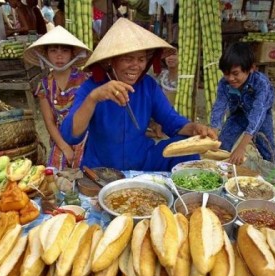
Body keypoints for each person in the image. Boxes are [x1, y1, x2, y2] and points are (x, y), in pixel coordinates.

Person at [61, 18, 216, 172]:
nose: (136, 66)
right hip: (102, 168)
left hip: (143, 161)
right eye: (128, 59)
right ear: (110, 61)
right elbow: (71, 136)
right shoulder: (92, 87)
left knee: (186, 147)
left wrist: (194, 128)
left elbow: (171, 120)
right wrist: (93, 98)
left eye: (141, 59)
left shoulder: (147, 86)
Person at [24, 26, 91, 170]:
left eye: (65, 50)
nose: (59, 56)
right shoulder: (44, 86)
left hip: (86, 138)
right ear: (46, 54)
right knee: (58, 178)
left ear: (73, 53)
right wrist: (65, 147)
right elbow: (49, 122)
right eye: (53, 50)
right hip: (60, 139)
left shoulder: (85, 80)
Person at [210, 42, 275, 165]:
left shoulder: (261, 84)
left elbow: (258, 114)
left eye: (235, 73)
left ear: (251, 68)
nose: (230, 78)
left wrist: (241, 147)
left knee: (267, 149)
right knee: (221, 144)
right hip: (238, 113)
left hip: (261, 116)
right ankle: (221, 173)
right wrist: (213, 132)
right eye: (226, 73)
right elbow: (219, 107)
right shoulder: (224, 84)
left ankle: (274, 175)